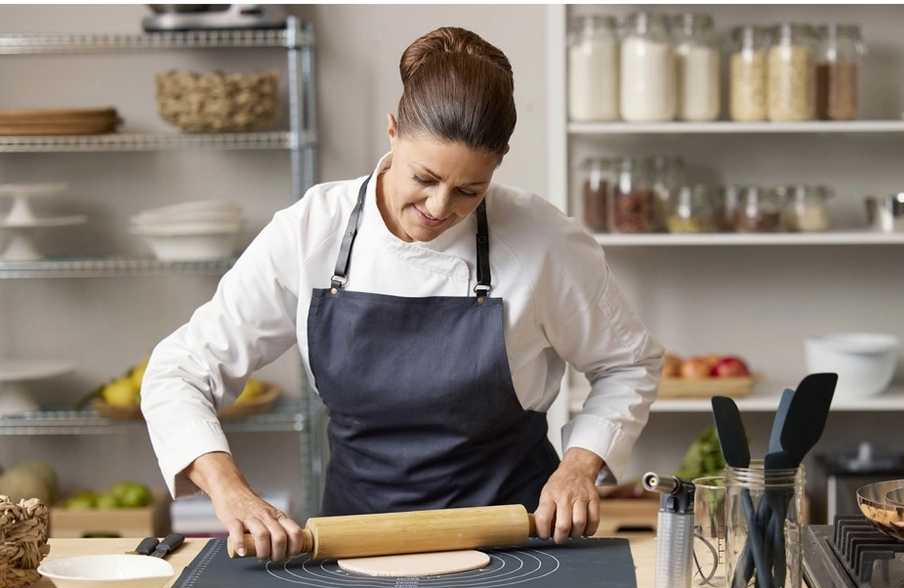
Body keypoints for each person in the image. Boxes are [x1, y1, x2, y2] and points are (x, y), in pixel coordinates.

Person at [142, 26, 663, 561]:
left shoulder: (543, 240)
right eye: (425, 177)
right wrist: (228, 490)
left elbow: (628, 362)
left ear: (499, 162)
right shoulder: (309, 232)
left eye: (468, 191)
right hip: (354, 545)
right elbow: (179, 370)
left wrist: (579, 464)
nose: (440, 207)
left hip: (515, 542)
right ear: (392, 131)